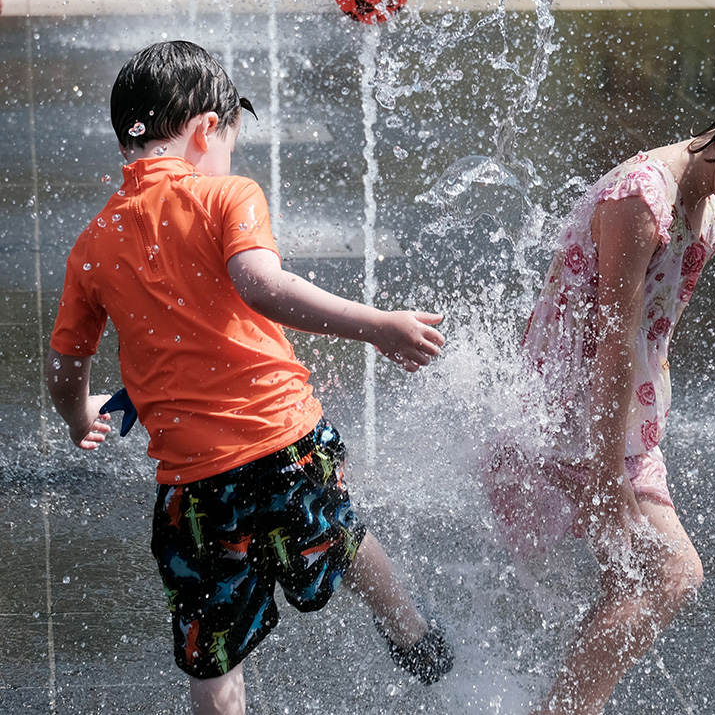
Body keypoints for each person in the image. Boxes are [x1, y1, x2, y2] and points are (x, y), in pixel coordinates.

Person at [46, 40, 453, 715]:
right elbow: (261, 286)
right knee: (345, 539)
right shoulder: (227, 195)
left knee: (212, 651)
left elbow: (69, 371)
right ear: (207, 128)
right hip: (286, 444)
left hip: (194, 487)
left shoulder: (94, 241)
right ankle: (410, 629)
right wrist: (377, 324)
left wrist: (79, 417)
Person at [484, 69, 715, 715]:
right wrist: (607, 477)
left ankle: (575, 702)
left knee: (630, 578)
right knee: (670, 573)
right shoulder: (642, 199)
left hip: (618, 421)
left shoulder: (712, 205)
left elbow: (652, 326)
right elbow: (611, 341)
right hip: (573, 415)